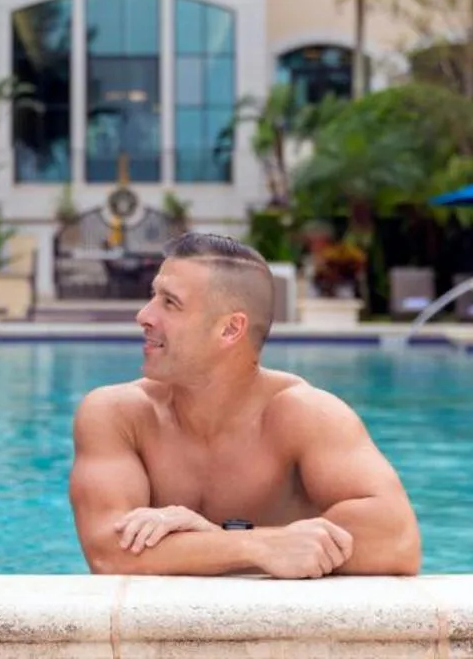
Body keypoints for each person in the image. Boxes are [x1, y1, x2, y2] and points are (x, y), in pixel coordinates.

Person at [68, 232, 422, 578]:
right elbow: (109, 554)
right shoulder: (118, 415)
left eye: (169, 302)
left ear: (230, 330)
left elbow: (397, 540)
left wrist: (211, 544)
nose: (144, 315)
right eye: (153, 296)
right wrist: (257, 546)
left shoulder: (304, 415)